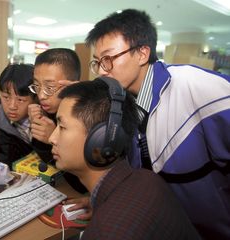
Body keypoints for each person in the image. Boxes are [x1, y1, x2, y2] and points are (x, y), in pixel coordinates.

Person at [84, 9, 230, 239]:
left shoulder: (196, 87)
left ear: (142, 53)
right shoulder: (121, 104)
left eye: (109, 59)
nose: (102, 70)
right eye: (98, 62)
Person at [49, 78, 200, 239]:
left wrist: (106, 213)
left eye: (62, 127)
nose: (52, 138)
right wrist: (99, 202)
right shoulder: (148, 178)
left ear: (103, 138)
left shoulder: (105, 232)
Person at [28, 48, 87, 193]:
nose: (41, 95)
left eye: (50, 87)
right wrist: (38, 129)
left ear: (72, 85)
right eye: (37, 86)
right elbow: (51, 164)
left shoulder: (87, 116)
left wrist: (55, 138)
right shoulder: (48, 110)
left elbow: (81, 184)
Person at [0, 64, 52, 168]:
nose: (12, 106)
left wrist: (37, 123)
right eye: (6, 97)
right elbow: (2, 156)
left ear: (36, 98)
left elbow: (51, 160)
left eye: (20, 100)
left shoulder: (49, 114)